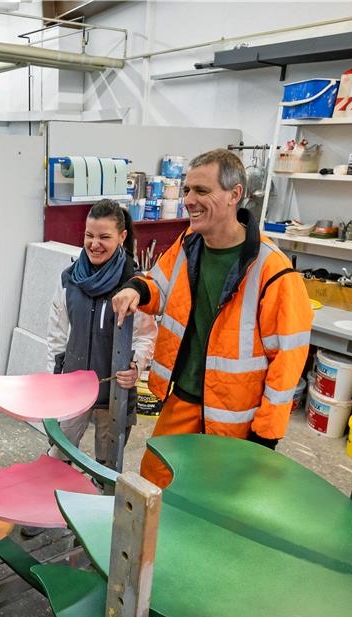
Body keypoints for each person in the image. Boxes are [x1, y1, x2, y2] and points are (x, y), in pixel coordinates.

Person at [112, 149, 313, 488]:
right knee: (154, 484)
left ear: (235, 195)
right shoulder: (188, 243)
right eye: (187, 189)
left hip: (235, 419)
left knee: (218, 500)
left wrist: (266, 435)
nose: (189, 200)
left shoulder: (273, 271)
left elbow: (288, 364)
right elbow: (158, 286)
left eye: (201, 191)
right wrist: (136, 289)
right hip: (182, 397)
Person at [45, 198, 157, 467]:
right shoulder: (70, 279)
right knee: (58, 456)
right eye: (89, 235)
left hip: (114, 391)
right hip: (72, 387)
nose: (95, 244)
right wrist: (54, 379)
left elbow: (146, 336)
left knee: (106, 468)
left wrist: (136, 366)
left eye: (104, 237)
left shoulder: (134, 285)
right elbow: (57, 335)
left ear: (122, 236)